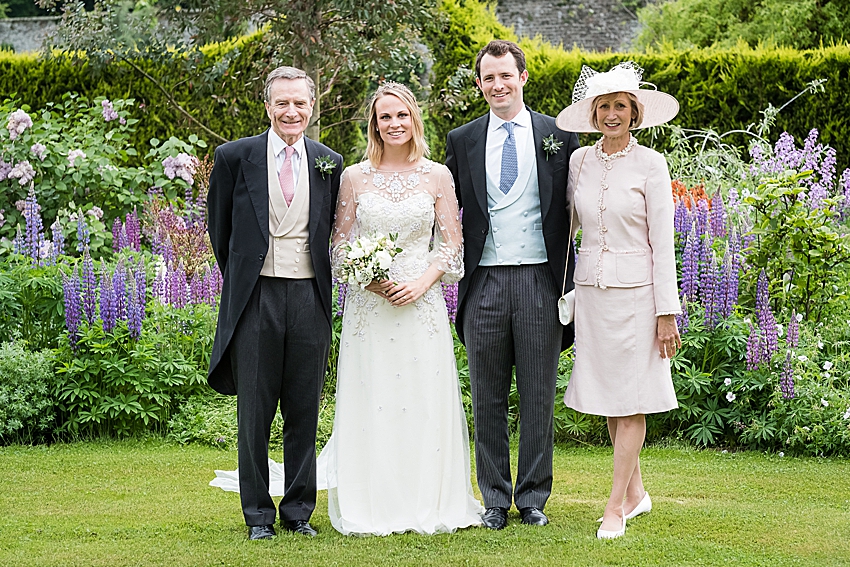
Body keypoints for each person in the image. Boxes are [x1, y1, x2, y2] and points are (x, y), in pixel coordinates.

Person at [316, 82, 484, 536]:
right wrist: (370, 279)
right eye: (385, 117)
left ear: (415, 120)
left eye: (402, 116)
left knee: (421, 400)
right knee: (374, 399)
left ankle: (428, 498)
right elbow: (339, 246)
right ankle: (372, 501)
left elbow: (452, 244)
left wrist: (421, 282)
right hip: (369, 308)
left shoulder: (436, 176)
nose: (394, 124)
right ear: (374, 124)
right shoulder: (354, 177)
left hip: (421, 304)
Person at [445, 40, 580, 530]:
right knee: (486, 394)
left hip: (540, 280)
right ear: (479, 84)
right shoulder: (461, 140)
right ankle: (495, 499)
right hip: (484, 283)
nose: (497, 85)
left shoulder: (559, 135)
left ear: (523, 77)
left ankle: (533, 497)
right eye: (488, 78)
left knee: (539, 393)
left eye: (506, 75)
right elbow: (443, 209)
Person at [206, 65, 343, 540]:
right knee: (255, 412)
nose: (291, 111)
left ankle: (299, 510)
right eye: (281, 103)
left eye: (299, 103)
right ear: (267, 107)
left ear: (311, 107)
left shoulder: (330, 162)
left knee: (304, 408)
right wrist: (249, 278)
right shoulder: (233, 157)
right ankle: (258, 516)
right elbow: (220, 233)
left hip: (309, 295)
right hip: (256, 297)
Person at [555, 61, 682, 539]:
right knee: (612, 400)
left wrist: (665, 312)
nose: (612, 114)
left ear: (635, 113)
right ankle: (636, 493)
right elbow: (566, 225)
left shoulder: (652, 164)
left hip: (639, 297)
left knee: (631, 403)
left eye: (621, 107)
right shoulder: (579, 162)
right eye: (604, 106)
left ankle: (614, 508)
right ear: (593, 113)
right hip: (591, 294)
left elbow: (664, 242)